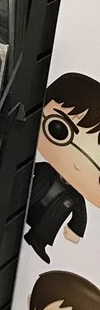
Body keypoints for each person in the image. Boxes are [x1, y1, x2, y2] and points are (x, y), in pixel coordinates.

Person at [24, 72, 100, 260]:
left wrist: (76, 230)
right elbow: (25, 171)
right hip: (24, 205)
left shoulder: (76, 197)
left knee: (51, 222)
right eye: (59, 129)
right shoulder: (45, 169)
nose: (78, 165)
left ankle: (38, 241)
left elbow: (80, 215)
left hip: (48, 218)